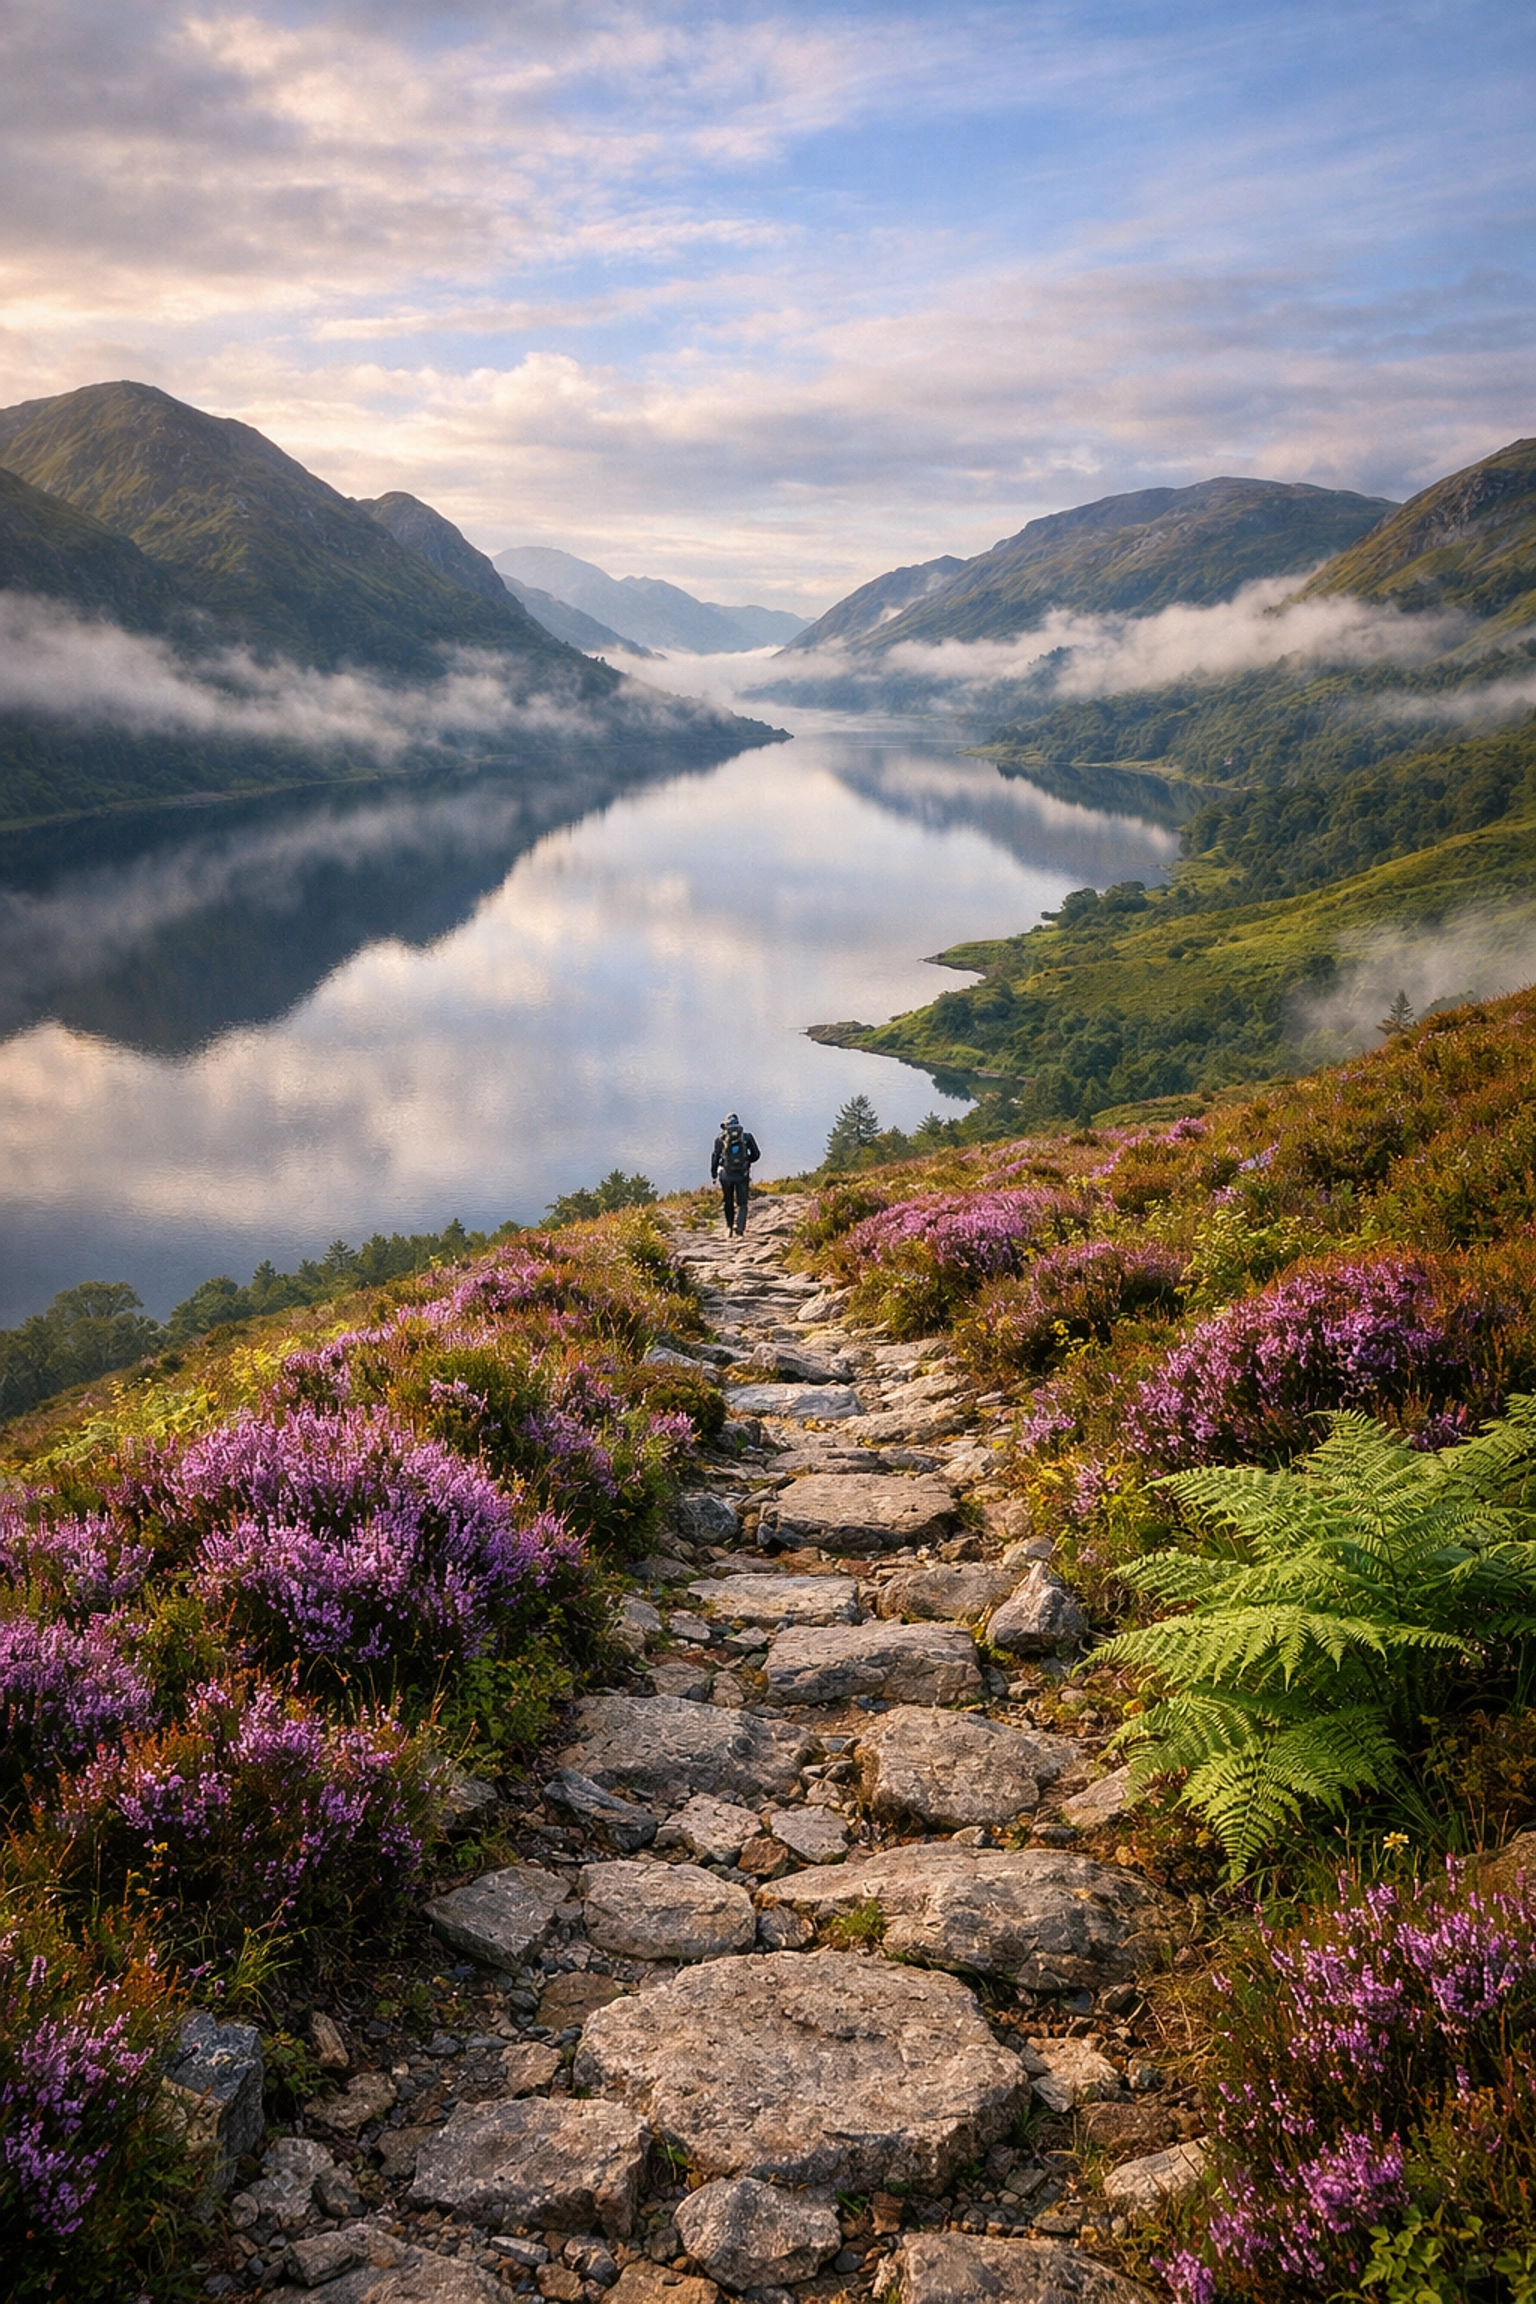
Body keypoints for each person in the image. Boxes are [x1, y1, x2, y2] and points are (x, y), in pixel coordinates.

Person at [710, 1111, 760, 1235]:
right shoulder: (747, 1137)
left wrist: (714, 1174)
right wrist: (747, 1161)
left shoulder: (720, 1139)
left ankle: (729, 1228)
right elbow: (756, 1155)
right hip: (742, 1174)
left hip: (726, 1175)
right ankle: (740, 1227)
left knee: (728, 1201)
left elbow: (715, 1157)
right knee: (742, 1203)